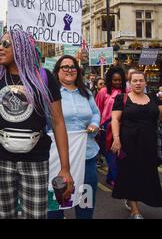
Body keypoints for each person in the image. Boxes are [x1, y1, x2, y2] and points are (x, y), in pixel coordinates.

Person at [0, 29, 74, 219]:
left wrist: (65, 168)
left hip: (35, 158)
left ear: (22, 48)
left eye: (5, 44)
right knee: (5, 214)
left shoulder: (44, 77)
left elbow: (58, 122)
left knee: (36, 215)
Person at [48, 55, 100, 219]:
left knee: (86, 203)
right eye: (65, 67)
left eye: (73, 67)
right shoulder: (50, 94)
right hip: (57, 158)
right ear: (57, 71)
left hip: (87, 156)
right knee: (56, 205)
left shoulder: (86, 93)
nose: (69, 70)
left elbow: (96, 114)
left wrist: (94, 124)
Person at [111, 71, 162, 219]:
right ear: (130, 83)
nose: (138, 83)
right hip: (129, 144)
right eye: (135, 81)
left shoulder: (153, 98)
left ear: (145, 83)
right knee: (130, 174)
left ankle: (136, 198)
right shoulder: (122, 98)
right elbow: (115, 119)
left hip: (149, 144)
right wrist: (116, 139)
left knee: (147, 173)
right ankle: (135, 211)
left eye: (141, 80)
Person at [95, 66, 127, 187]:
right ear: (110, 80)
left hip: (123, 127)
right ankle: (116, 179)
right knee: (111, 155)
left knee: (120, 155)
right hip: (106, 127)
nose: (117, 82)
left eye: (119, 80)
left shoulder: (127, 91)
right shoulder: (103, 92)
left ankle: (110, 177)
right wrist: (97, 129)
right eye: (115, 80)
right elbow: (97, 110)